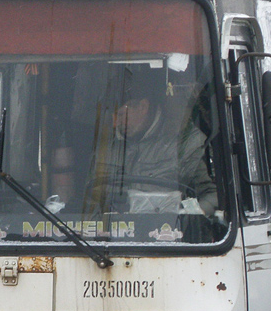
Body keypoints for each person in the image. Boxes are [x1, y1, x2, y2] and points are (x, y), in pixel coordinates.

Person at [90, 68, 217, 217]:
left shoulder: (185, 142)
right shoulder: (108, 145)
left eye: (122, 114)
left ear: (143, 107)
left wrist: (188, 216)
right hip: (112, 235)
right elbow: (92, 199)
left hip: (169, 234)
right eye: (112, 115)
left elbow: (213, 195)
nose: (115, 123)